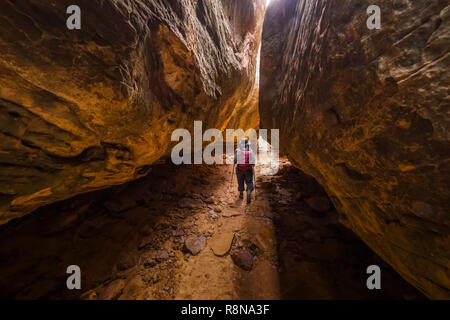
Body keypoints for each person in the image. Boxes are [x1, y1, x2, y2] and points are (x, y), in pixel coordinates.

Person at [234, 138, 256, 203]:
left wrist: (235, 162)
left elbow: (235, 160)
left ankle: (241, 194)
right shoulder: (251, 151)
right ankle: (249, 190)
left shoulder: (237, 150)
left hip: (240, 169)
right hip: (248, 169)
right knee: (249, 181)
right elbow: (253, 161)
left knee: (240, 181)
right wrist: (252, 166)